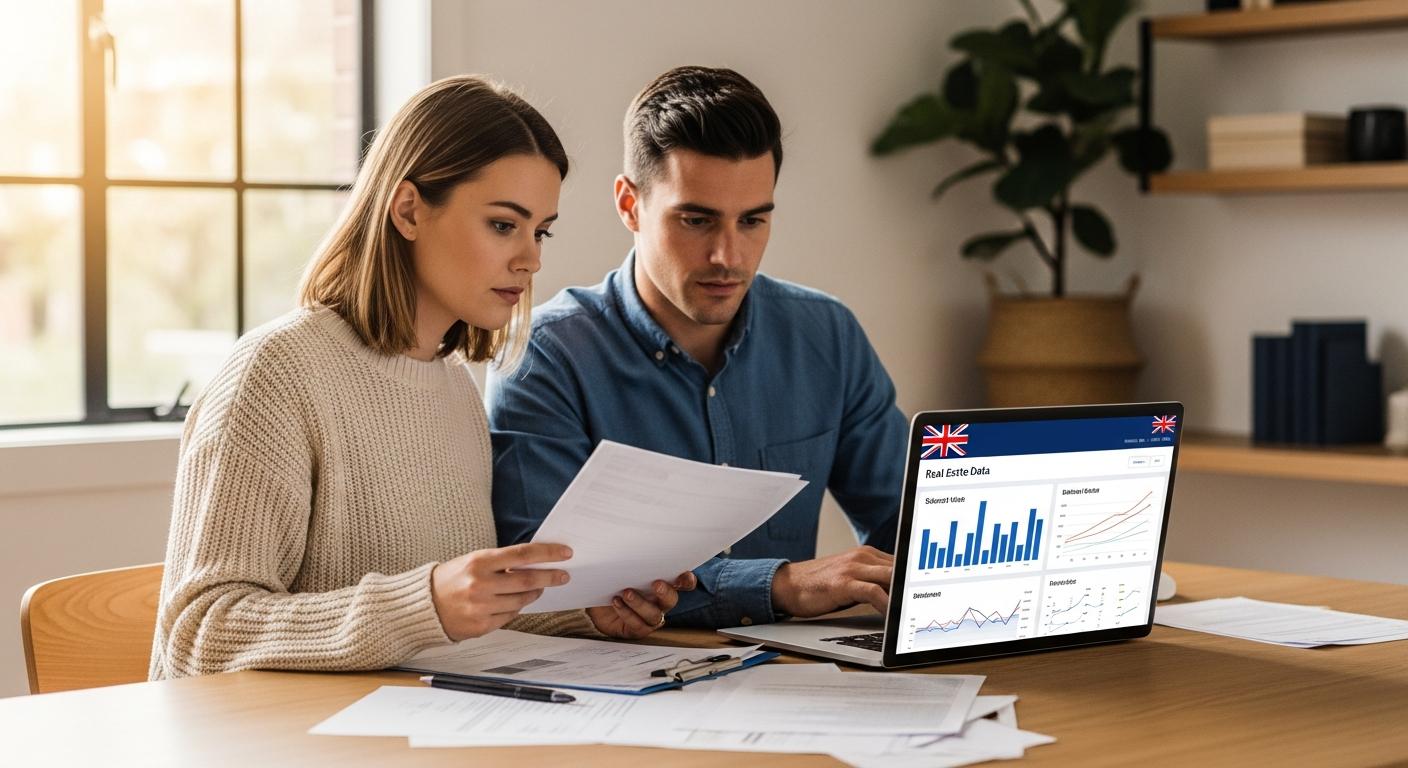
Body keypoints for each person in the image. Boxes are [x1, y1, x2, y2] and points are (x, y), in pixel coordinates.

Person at [150, 75, 692, 680]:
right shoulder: (276, 374)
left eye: (540, 231)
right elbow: (200, 636)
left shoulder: (453, 388)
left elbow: (452, 619)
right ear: (409, 210)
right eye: (502, 225)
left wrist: (586, 615)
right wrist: (422, 604)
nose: (531, 258)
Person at [488, 66, 907, 630]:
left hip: (801, 681)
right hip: (624, 692)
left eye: (753, 220)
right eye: (696, 219)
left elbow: (907, 527)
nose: (728, 256)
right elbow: (549, 583)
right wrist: (781, 586)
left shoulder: (826, 335)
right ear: (629, 205)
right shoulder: (546, 356)